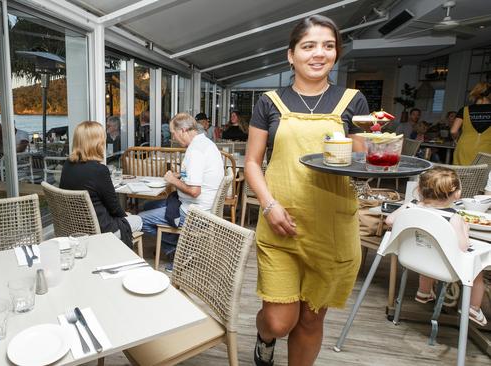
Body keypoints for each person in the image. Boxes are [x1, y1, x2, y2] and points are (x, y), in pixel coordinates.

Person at [245, 15, 369, 366]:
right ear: (291, 55)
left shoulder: (353, 101)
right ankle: (264, 336)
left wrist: (374, 154)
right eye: (309, 46)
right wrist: (269, 206)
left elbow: (361, 165)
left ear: (337, 53)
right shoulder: (269, 102)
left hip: (332, 229)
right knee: (279, 320)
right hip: (280, 222)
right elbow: (253, 162)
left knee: (312, 318)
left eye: (328, 46)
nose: (319, 53)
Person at [385, 167, 487, 326]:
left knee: (429, 247)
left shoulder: (411, 206)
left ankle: (424, 291)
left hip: (412, 257)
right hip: (445, 267)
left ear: (419, 189)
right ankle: (473, 307)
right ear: (457, 194)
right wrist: (465, 231)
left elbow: (390, 221)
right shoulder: (454, 216)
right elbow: (462, 247)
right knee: (477, 269)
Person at [139, 113, 224, 269]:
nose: (174, 138)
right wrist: (181, 175)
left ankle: (178, 251)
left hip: (195, 212)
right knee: (147, 206)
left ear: (183, 130)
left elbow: (194, 191)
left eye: (174, 133)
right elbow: (199, 176)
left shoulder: (195, 151)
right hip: (206, 206)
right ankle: (179, 246)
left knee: (140, 220)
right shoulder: (205, 144)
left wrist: (173, 180)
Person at [59, 121, 142, 248]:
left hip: (73, 227)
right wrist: (126, 216)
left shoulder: (67, 165)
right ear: (97, 143)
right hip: (100, 230)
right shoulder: (99, 170)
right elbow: (114, 207)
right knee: (139, 219)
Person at [451, 82, 491, 165]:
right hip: (486, 150)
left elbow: (453, 131)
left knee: (461, 175)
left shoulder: (464, 110)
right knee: (481, 176)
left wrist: (456, 140)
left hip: (464, 148)